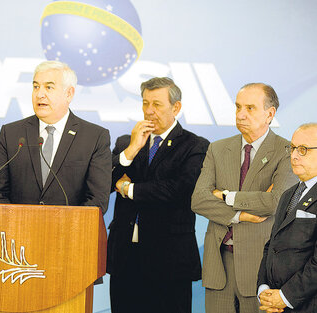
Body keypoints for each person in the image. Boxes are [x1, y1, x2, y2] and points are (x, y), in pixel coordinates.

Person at [191, 83, 297, 313]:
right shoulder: (217, 149)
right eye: (238, 107)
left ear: (270, 114)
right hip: (219, 264)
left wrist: (227, 196)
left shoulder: (286, 150)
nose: (240, 114)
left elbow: (275, 202)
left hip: (261, 267)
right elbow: (198, 199)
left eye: (250, 108)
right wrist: (240, 215)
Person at [107, 77, 209, 313]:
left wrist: (127, 189)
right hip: (126, 258)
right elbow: (105, 180)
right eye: (145, 103)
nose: (149, 111)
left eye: (157, 104)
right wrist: (131, 150)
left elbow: (178, 190)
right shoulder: (127, 141)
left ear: (176, 108)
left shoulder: (195, 145)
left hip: (169, 260)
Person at [0, 60, 111, 213]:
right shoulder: (11, 134)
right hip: (18, 232)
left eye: (49, 87)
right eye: (36, 87)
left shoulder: (94, 137)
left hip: (68, 234)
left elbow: (97, 202)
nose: (40, 94)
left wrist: (59, 227)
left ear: (69, 93)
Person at [257, 123, 317, 313]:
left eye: (303, 150)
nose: (294, 155)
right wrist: (263, 289)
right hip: (275, 304)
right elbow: (272, 245)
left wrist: (284, 297)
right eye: (292, 148)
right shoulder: (289, 194)